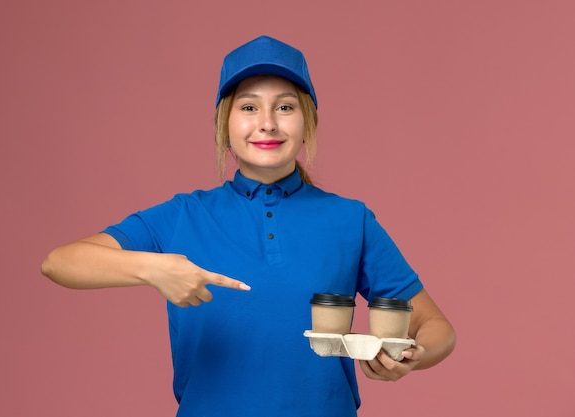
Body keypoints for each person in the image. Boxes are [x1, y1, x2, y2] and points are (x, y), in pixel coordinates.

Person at [42, 35, 456, 417]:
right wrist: (153, 269)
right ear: (224, 124)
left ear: (308, 122)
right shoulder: (184, 215)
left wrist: (412, 356)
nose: (268, 123)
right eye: (249, 107)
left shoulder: (350, 219)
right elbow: (60, 262)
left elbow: (437, 328)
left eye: (285, 106)